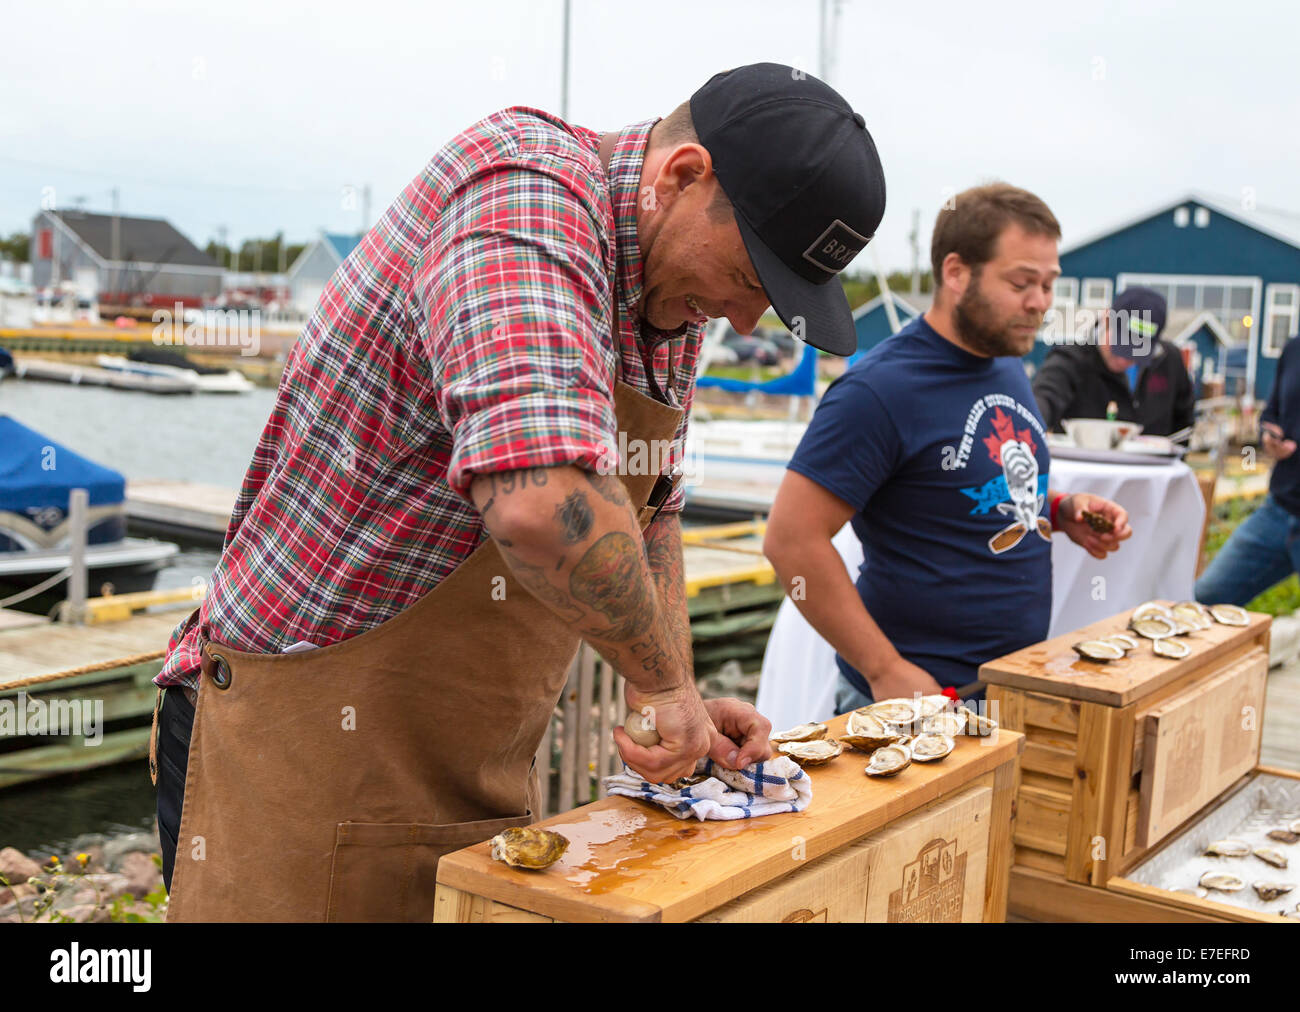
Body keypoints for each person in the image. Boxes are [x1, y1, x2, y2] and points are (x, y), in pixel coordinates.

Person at [149, 63, 887, 921]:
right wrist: (665, 688)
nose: (749, 320)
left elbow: (653, 513)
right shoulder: (524, 193)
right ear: (683, 177)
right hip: (296, 743)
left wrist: (674, 689)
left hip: (464, 769)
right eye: (754, 276)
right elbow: (541, 499)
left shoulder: (667, 302)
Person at [763, 184, 1132, 710]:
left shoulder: (1006, 360)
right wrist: (885, 670)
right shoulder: (878, 390)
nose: (1041, 302)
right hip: (915, 703)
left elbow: (967, 489)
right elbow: (791, 541)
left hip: (1010, 687)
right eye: (1022, 282)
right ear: (956, 273)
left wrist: (1059, 509)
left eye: (1050, 284)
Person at [1195, 334, 1300, 606]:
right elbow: (1271, 413)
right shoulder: (1294, 348)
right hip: (1279, 510)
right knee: (1207, 597)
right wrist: (1270, 435)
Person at [1033, 286, 1195, 437]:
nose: (1124, 359)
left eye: (1136, 352)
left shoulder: (1169, 361)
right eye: (1119, 344)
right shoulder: (1069, 360)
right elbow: (1042, 400)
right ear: (1106, 319)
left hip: (1154, 465)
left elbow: (1184, 422)